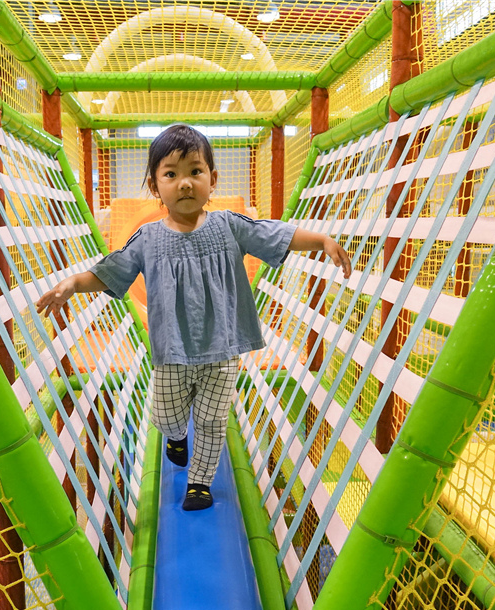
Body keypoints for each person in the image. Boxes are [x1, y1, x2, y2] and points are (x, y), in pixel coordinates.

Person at [36, 124, 350, 511]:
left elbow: (274, 234)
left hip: (222, 349)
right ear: (155, 186)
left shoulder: (228, 226)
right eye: (171, 174)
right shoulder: (147, 238)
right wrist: (72, 283)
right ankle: (175, 437)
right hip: (172, 351)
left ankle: (199, 483)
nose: (184, 183)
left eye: (195, 172)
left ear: (212, 180)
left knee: (212, 420)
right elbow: (110, 270)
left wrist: (321, 241)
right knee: (166, 415)